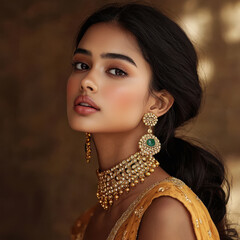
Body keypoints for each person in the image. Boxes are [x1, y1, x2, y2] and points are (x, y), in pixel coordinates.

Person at [67, 2, 239, 240]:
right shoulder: (88, 221)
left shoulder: (166, 213)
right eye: (82, 65)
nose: (87, 80)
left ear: (158, 103)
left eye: (116, 71)